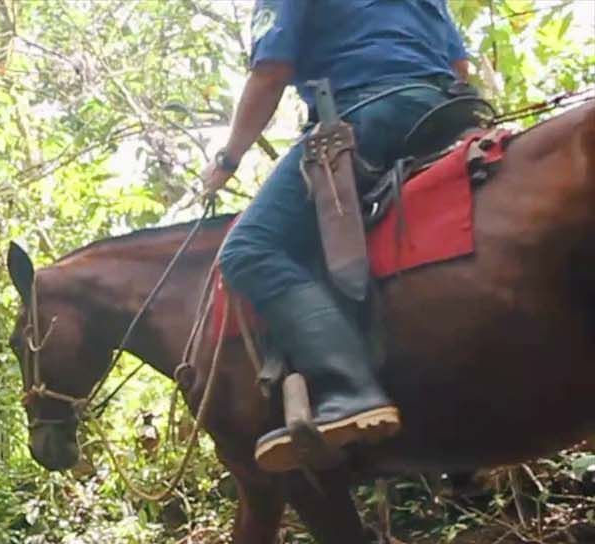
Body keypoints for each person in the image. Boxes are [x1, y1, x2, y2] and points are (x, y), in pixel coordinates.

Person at [201, 0, 471, 472]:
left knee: (249, 249)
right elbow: (459, 65)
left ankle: (350, 389)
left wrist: (227, 161)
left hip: (370, 110)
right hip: (449, 111)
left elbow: (271, 72)